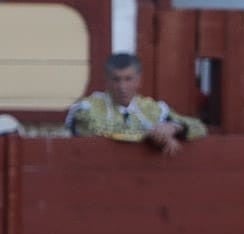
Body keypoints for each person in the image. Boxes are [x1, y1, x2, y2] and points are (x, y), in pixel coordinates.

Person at [65, 52, 207, 156]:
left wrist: (174, 127)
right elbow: (102, 129)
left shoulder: (151, 108)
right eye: (116, 79)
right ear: (107, 81)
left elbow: (199, 127)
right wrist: (155, 135)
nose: (122, 86)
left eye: (128, 79)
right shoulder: (87, 107)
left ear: (139, 81)